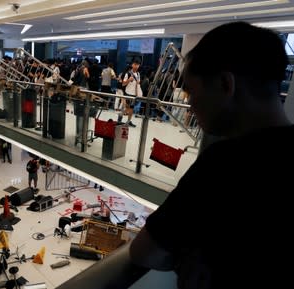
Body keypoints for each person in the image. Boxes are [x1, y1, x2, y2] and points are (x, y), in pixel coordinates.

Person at [59, 21, 293, 289]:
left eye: (192, 92)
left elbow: (145, 252)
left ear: (226, 85)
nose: (190, 106)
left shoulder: (224, 163)